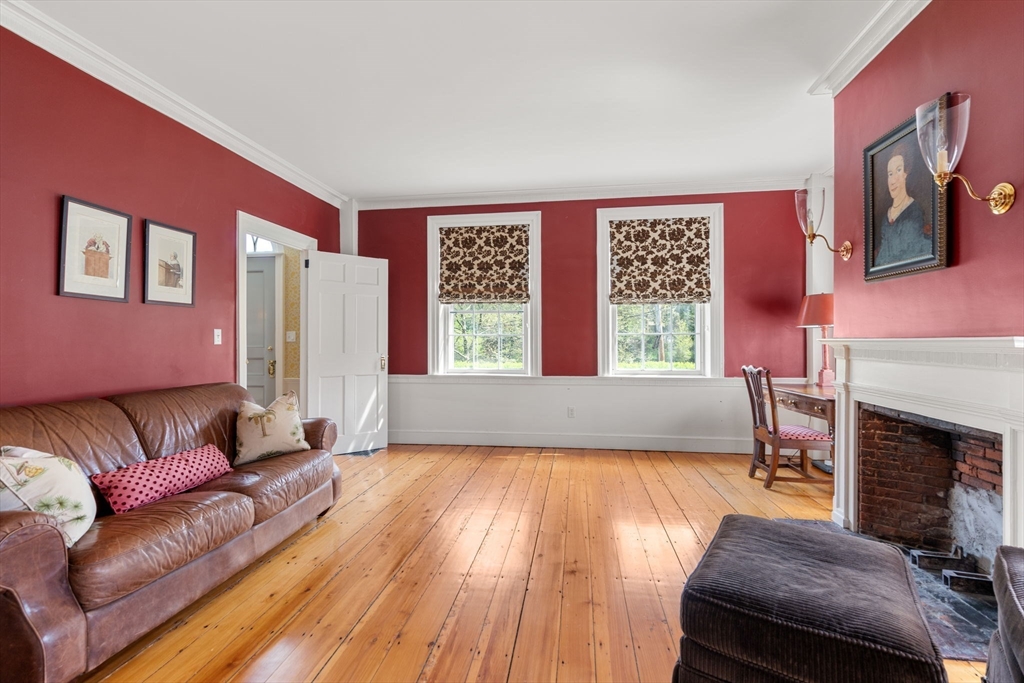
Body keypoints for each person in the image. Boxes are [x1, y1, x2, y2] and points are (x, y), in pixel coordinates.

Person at [875, 143, 931, 266]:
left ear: (906, 173)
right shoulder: (886, 217)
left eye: (898, 170)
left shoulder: (914, 210)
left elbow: (914, 252)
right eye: (890, 174)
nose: (893, 180)